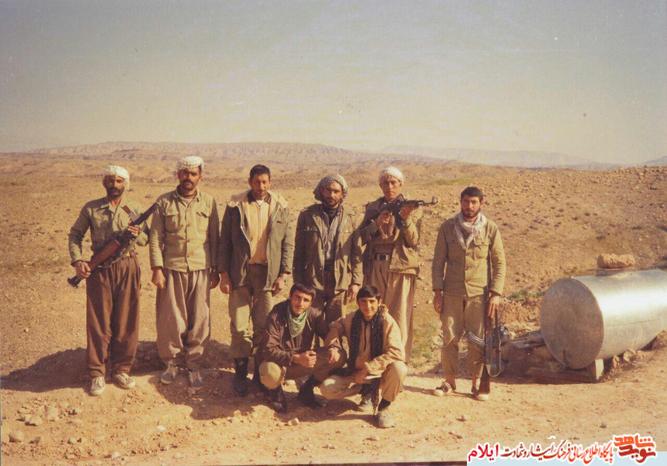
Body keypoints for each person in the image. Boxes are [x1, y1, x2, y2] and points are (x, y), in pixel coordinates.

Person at [68, 165, 148, 396]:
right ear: (104, 183)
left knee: (127, 320)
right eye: (111, 180)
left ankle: (122, 369)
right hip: (100, 269)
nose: (115, 185)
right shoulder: (92, 208)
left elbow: (146, 239)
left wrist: (137, 234)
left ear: (126, 184)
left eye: (119, 181)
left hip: (127, 266)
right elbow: (75, 235)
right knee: (98, 321)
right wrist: (78, 261)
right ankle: (97, 373)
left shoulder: (133, 209)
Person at [218, 164, 294, 396]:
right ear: (250, 181)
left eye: (265, 182)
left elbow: (287, 243)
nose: (261, 186)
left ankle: (260, 374)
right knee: (240, 326)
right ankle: (240, 374)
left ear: (270, 182)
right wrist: (224, 274)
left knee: (265, 326)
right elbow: (225, 241)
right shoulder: (236, 205)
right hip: (240, 272)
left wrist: (284, 274)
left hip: (267, 275)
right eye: (257, 182)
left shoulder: (280, 206)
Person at [149, 155, 219, 389]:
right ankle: (171, 363)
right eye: (185, 173)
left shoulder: (209, 202)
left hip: (201, 268)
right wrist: (157, 268)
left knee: (200, 319)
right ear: (178, 175)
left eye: (193, 174)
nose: (189, 177)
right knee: (171, 318)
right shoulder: (164, 202)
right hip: (173, 268)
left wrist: (216, 270)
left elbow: (215, 238)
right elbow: (155, 238)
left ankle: (194, 365)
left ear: (200, 176)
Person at [431, 186, 506, 400]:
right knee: (449, 337)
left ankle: (476, 383)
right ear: (460, 202)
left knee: (477, 339)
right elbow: (438, 262)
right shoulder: (447, 227)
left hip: (479, 294)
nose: (469, 206)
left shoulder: (490, 228)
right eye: (465, 201)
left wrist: (496, 293)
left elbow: (499, 263)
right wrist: (438, 291)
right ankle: (449, 381)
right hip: (452, 292)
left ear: (481, 203)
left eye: (474, 202)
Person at [320, 285, 407, 429]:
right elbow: (335, 326)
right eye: (363, 302)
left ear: (379, 301)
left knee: (399, 368)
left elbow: (396, 353)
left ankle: (384, 407)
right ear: (358, 303)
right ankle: (364, 390)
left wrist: (368, 369)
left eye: (372, 301)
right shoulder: (352, 318)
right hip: (356, 374)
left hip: (378, 374)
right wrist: (333, 346)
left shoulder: (387, 321)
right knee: (326, 389)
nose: (368, 306)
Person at [358, 166, 421, 361]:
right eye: (385, 182)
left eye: (394, 182)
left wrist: (405, 219)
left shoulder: (412, 208)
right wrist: (377, 223)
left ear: (401, 184)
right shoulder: (373, 208)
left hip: (400, 268)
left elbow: (414, 240)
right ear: (380, 185)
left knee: (399, 316)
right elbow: (362, 237)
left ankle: (398, 362)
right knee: (373, 313)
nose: (389, 186)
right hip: (375, 266)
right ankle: (374, 359)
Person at [257, 283, 345, 412]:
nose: (300, 303)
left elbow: (328, 334)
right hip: (280, 362)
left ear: (311, 303)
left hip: (301, 361)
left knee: (339, 356)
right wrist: (295, 358)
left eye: (306, 300)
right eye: (297, 298)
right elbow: (268, 350)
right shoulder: (277, 314)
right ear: (290, 297)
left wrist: (333, 347)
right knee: (270, 371)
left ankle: (307, 388)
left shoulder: (314, 314)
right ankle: (275, 392)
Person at [293, 175, 362, 324]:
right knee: (309, 323)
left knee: (336, 325)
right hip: (312, 279)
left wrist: (356, 282)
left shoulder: (350, 217)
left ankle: (333, 341)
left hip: (339, 280)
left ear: (342, 194)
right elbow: (299, 253)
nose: (331, 195)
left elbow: (356, 253)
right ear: (321, 191)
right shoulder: (307, 215)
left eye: (336, 191)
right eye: (328, 190)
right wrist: (298, 282)